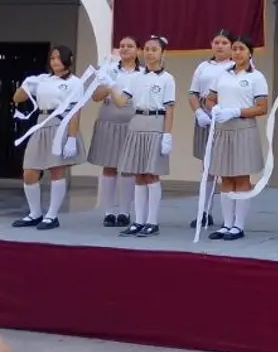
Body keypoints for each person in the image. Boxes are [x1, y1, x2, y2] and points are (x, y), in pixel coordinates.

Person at [104, 36, 175, 237]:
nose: (150, 53)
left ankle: (152, 221)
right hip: (137, 122)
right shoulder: (136, 77)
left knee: (151, 173)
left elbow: (170, 109)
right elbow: (120, 101)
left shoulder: (167, 78)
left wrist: (167, 135)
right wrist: (110, 84)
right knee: (138, 174)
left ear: (162, 53)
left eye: (155, 50)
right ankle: (138, 220)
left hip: (156, 122)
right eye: (148, 49)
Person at [11, 45, 87, 230]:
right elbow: (17, 98)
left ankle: (52, 216)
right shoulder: (42, 80)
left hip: (61, 124)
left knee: (56, 171)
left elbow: (75, 111)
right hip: (42, 122)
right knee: (29, 171)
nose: (55, 62)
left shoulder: (75, 82)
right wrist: (27, 83)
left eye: (58, 58)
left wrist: (71, 137)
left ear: (68, 59)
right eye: (52, 58)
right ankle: (35, 213)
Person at [205, 35, 270, 241]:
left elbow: (262, 107)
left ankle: (238, 225)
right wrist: (214, 108)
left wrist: (237, 111)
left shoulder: (256, 77)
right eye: (235, 48)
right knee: (225, 176)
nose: (237, 52)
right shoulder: (222, 74)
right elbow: (209, 98)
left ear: (250, 52)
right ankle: (227, 223)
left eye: (241, 48)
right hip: (224, 128)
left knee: (241, 176)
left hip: (243, 127)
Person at [88, 36, 141, 228]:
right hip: (109, 119)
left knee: (128, 168)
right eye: (122, 46)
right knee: (109, 167)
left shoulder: (142, 73)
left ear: (137, 50)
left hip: (131, 121)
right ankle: (109, 211)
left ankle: (125, 212)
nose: (125, 49)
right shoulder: (109, 70)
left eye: (130, 46)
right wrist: (108, 84)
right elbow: (95, 96)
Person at [187, 29, 234, 229]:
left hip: (226, 118)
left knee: (226, 168)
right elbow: (193, 93)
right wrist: (198, 112)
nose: (220, 46)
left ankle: (230, 216)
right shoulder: (203, 67)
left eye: (224, 42)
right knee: (207, 168)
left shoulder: (236, 66)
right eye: (216, 42)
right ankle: (204, 211)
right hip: (206, 117)